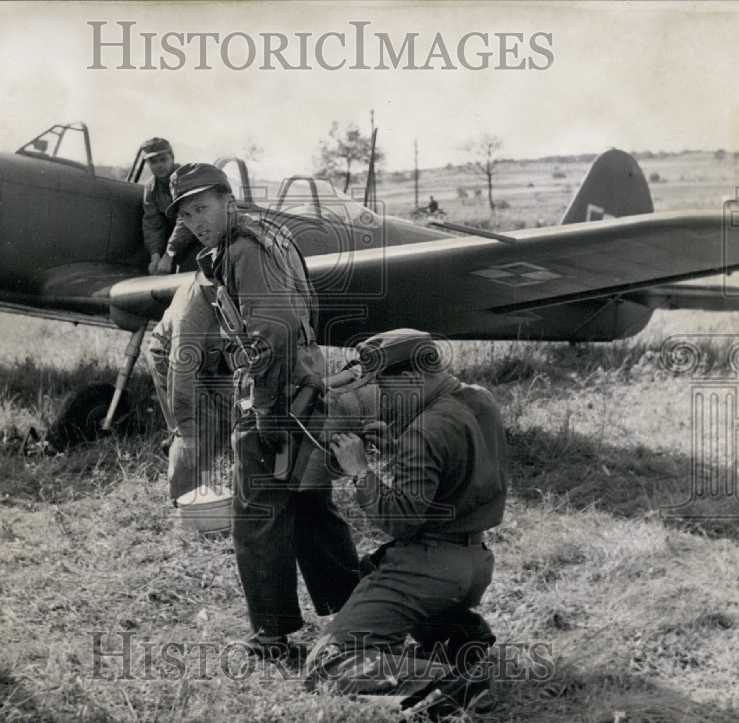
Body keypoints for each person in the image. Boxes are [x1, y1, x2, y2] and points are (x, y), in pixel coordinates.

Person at [167, 162, 360, 660]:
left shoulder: (241, 249)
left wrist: (268, 411)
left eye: (203, 207)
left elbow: (270, 330)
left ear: (227, 199)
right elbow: (301, 308)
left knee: (255, 517)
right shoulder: (269, 235)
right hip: (306, 383)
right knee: (310, 506)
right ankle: (359, 614)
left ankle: (271, 636)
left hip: (277, 395)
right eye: (186, 214)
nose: (196, 221)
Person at [305, 329, 506, 719]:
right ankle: (457, 636)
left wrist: (361, 472)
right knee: (367, 574)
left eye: (385, 383)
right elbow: (458, 466)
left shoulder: (424, 430)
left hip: (429, 568)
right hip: (475, 562)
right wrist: (398, 444)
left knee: (327, 663)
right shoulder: (479, 398)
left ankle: (449, 683)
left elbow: (400, 522)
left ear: (412, 376)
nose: (382, 395)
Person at [145, 275, 233, 502]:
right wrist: (186, 431)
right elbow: (181, 370)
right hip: (172, 357)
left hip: (212, 357)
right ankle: (185, 503)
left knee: (228, 417)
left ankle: (202, 483)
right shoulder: (194, 303)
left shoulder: (239, 283)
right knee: (199, 426)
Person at [138, 137, 200, 275]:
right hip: (180, 241)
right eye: (153, 162)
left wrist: (168, 255)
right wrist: (155, 256)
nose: (159, 165)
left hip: (204, 236)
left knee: (187, 275)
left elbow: (186, 219)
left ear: (172, 158)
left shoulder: (186, 178)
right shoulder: (150, 187)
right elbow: (152, 224)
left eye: (163, 159)